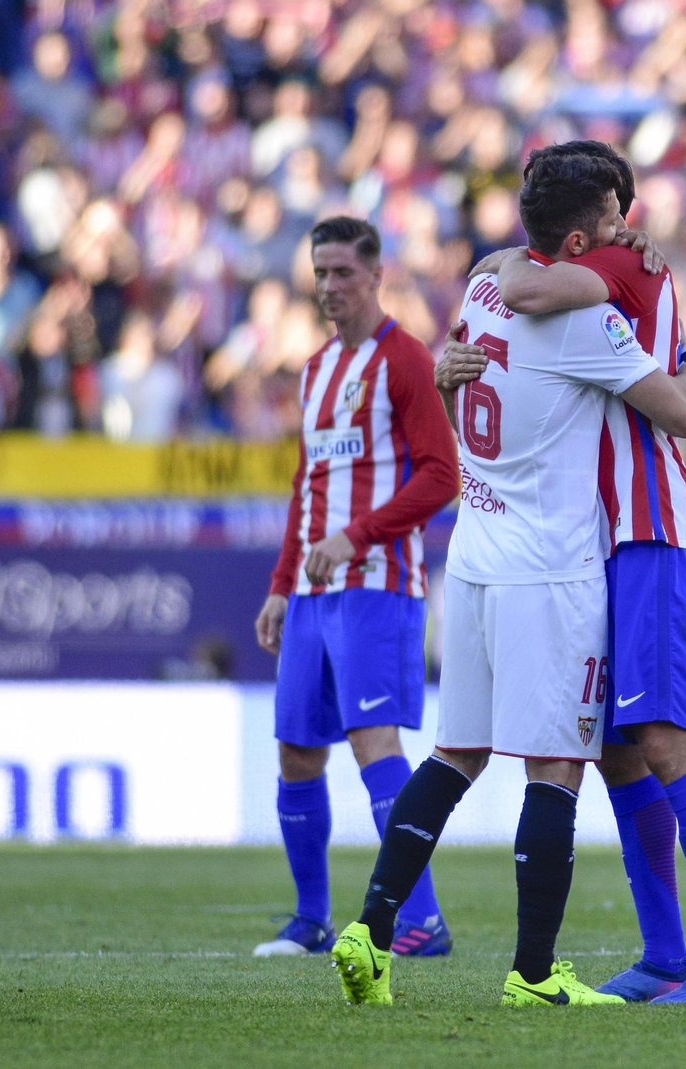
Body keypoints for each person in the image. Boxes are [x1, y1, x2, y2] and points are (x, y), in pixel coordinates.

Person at [329, 150, 686, 1009]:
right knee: (556, 769)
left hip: (474, 556)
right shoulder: (587, 322)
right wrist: (683, 353)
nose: (625, 231)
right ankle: (534, 973)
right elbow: (684, 416)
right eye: (611, 219)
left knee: (455, 754)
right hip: (550, 568)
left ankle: (370, 930)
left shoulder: (485, 290)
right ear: (578, 237)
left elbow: (473, 353)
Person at [447, 140, 686, 1004]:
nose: (630, 224)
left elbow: (514, 284)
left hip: (649, 528)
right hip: (592, 544)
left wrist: (528, 254)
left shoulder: (612, 265)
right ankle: (665, 954)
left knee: (663, 739)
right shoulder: (602, 264)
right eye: (614, 210)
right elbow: (504, 287)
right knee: (620, 754)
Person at [250, 216, 459, 959]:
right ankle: (310, 918)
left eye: (343, 272)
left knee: (376, 743)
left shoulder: (405, 360)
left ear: (376, 275)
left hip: (377, 582)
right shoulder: (313, 370)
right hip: (311, 594)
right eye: (321, 272)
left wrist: (356, 535)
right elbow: (309, 485)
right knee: (297, 750)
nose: (330, 286)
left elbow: (442, 475)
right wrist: (282, 583)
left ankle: (422, 920)